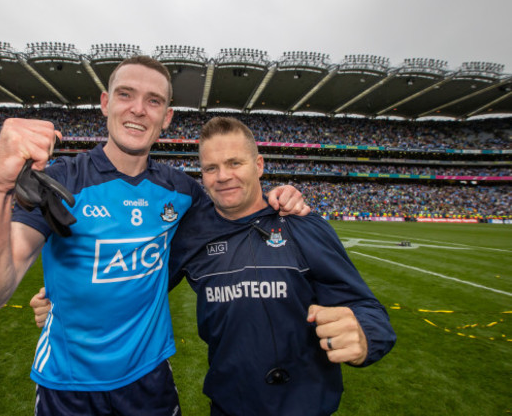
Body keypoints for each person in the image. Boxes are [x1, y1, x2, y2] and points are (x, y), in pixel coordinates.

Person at [0, 56, 309, 416]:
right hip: (67, 384)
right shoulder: (61, 181)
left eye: (153, 100)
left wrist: (278, 196)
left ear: (166, 117)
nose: (138, 109)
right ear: (106, 103)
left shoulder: (183, 192)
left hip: (149, 380)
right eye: (126, 95)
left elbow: (236, 211)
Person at [32, 116, 397, 416]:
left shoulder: (302, 225)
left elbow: (368, 309)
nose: (223, 176)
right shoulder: (191, 231)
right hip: (226, 408)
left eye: (235, 163)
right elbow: (137, 281)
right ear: (202, 175)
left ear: (258, 165)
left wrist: (365, 334)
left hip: (304, 407)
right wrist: (64, 301)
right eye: (211, 168)